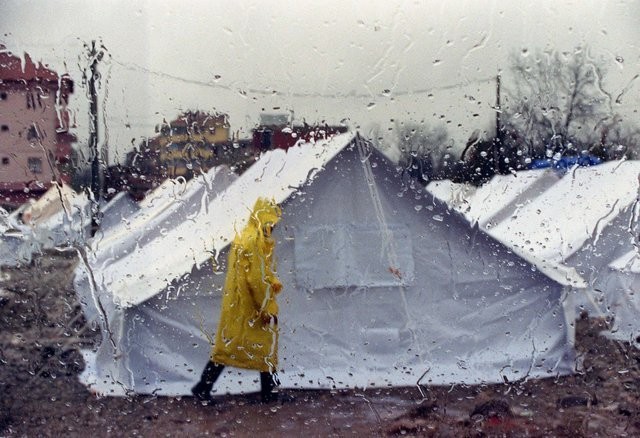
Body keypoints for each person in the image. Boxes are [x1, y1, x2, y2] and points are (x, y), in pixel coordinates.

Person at [192, 197, 283, 403]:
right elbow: (256, 279)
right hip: (251, 308)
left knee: (234, 348)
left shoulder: (245, 236)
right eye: (270, 222)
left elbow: (253, 273)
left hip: (240, 305)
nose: (273, 226)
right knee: (261, 348)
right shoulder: (254, 241)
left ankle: (270, 390)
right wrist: (267, 307)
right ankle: (269, 393)